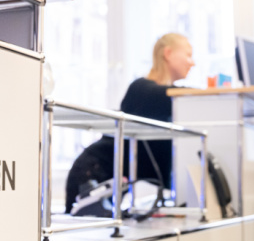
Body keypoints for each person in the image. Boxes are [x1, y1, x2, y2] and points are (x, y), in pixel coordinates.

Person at [64, 33, 195, 214]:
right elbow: (174, 95)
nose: (192, 62)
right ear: (168, 53)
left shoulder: (165, 100)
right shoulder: (142, 89)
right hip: (91, 176)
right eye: (188, 55)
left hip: (108, 181)